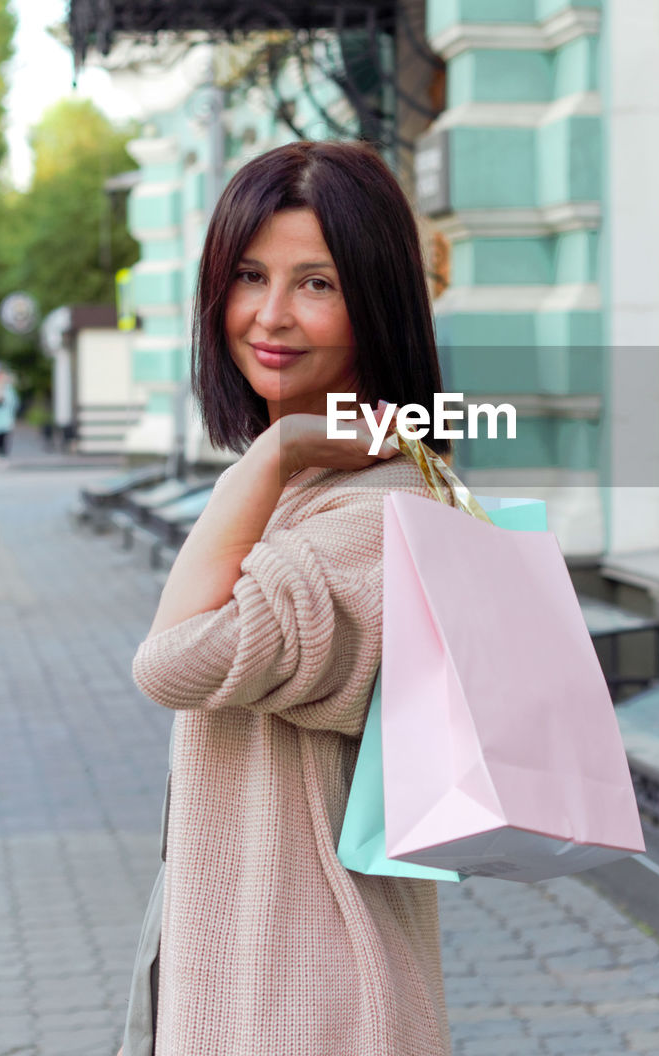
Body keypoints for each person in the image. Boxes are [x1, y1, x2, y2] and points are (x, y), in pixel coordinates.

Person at [121, 141, 454, 1056]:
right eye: (247, 275)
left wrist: (269, 455)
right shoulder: (307, 495)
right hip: (258, 984)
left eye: (316, 283)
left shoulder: (373, 512)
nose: (270, 316)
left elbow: (172, 662)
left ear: (376, 302)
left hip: (312, 1002)